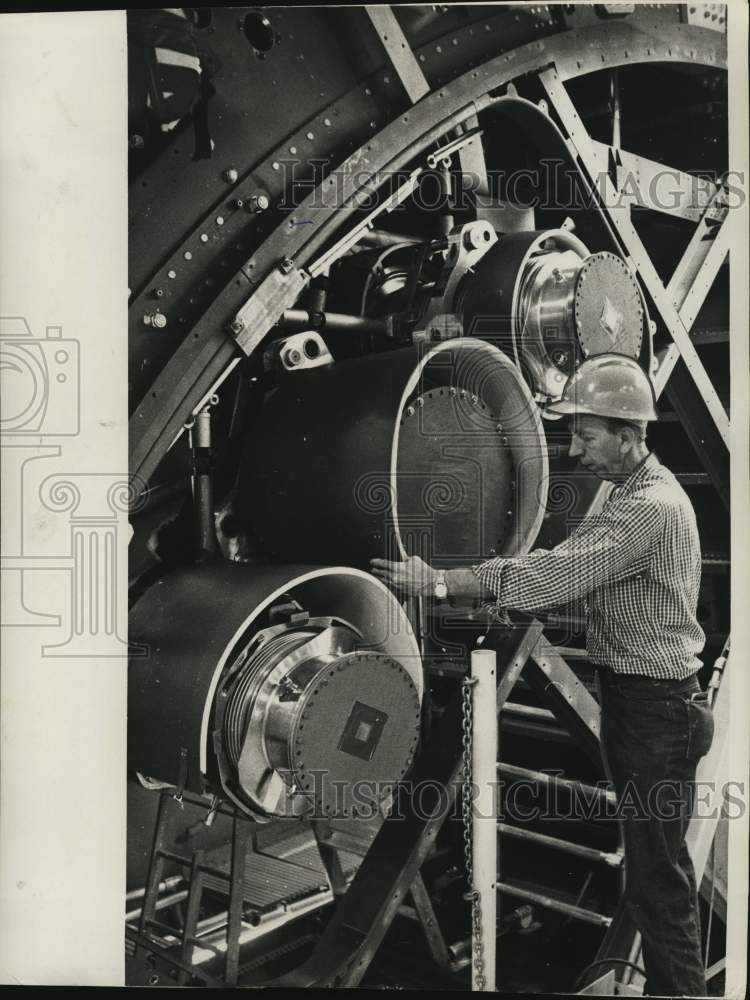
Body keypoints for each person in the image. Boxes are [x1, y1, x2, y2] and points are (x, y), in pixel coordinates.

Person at [371, 353, 715, 997]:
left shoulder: (652, 508)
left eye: (587, 438)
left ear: (629, 434)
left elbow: (559, 574)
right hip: (644, 705)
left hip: (656, 712)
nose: (577, 452)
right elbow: (592, 586)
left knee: (657, 881)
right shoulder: (631, 493)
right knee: (657, 869)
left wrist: (446, 581)